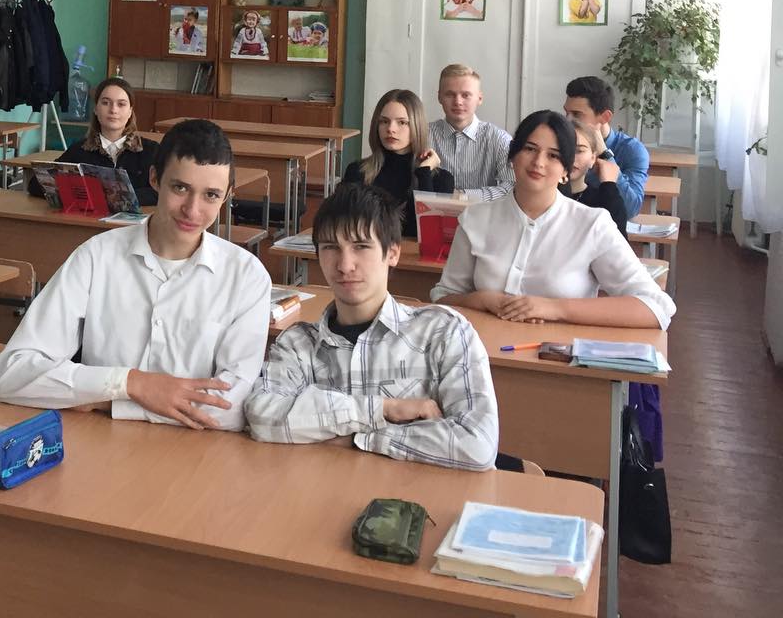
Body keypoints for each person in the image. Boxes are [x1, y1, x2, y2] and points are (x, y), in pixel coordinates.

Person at [0, 119, 271, 430]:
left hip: (198, 450)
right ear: (154, 178)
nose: (192, 210)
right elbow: (11, 374)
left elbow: (232, 408)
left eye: (211, 195)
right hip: (99, 444)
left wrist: (109, 399)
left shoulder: (246, 277)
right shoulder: (96, 256)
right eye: (180, 188)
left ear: (228, 194)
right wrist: (131, 383)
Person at [245, 184, 498, 470]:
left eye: (361, 247)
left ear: (393, 253)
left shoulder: (443, 332)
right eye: (331, 248)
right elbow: (262, 416)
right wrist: (383, 409)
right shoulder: (298, 345)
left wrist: (357, 440)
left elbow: (477, 444)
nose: (345, 265)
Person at [430, 110, 674, 329]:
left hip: (558, 357)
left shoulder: (593, 224)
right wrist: (481, 299)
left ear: (566, 170)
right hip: (483, 353)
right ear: (512, 156)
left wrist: (554, 308)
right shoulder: (475, 218)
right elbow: (443, 296)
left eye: (554, 156)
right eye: (530, 149)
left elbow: (656, 307)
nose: (538, 162)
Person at [27, 77, 159, 207]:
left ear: (130, 111)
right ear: (96, 108)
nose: (113, 110)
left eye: (121, 104)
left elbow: (162, 190)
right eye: (106, 103)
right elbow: (37, 184)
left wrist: (119, 197)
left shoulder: (151, 151)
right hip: (90, 219)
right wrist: (81, 192)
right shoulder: (80, 150)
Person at [341, 89, 453, 236]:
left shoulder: (441, 179)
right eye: (384, 121)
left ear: (416, 126)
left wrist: (424, 172)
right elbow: (343, 227)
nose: (391, 129)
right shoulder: (357, 172)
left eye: (402, 122)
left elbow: (430, 235)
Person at [563, 75, 649, 217]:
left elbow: (630, 210)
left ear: (605, 117)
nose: (567, 120)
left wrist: (604, 154)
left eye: (576, 114)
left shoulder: (632, 150)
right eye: (566, 113)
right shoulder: (560, 142)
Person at [428, 64, 513, 202]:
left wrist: (461, 196)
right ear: (439, 97)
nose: (458, 102)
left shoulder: (500, 139)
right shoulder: (423, 135)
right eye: (450, 94)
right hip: (431, 215)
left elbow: (511, 187)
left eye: (465, 95)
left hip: (484, 215)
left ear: (479, 98)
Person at [563, 117, 629, 236]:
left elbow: (618, 240)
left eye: (579, 151)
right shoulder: (543, 194)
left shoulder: (604, 199)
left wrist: (609, 184)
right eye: (565, 149)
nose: (571, 157)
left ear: (593, 158)